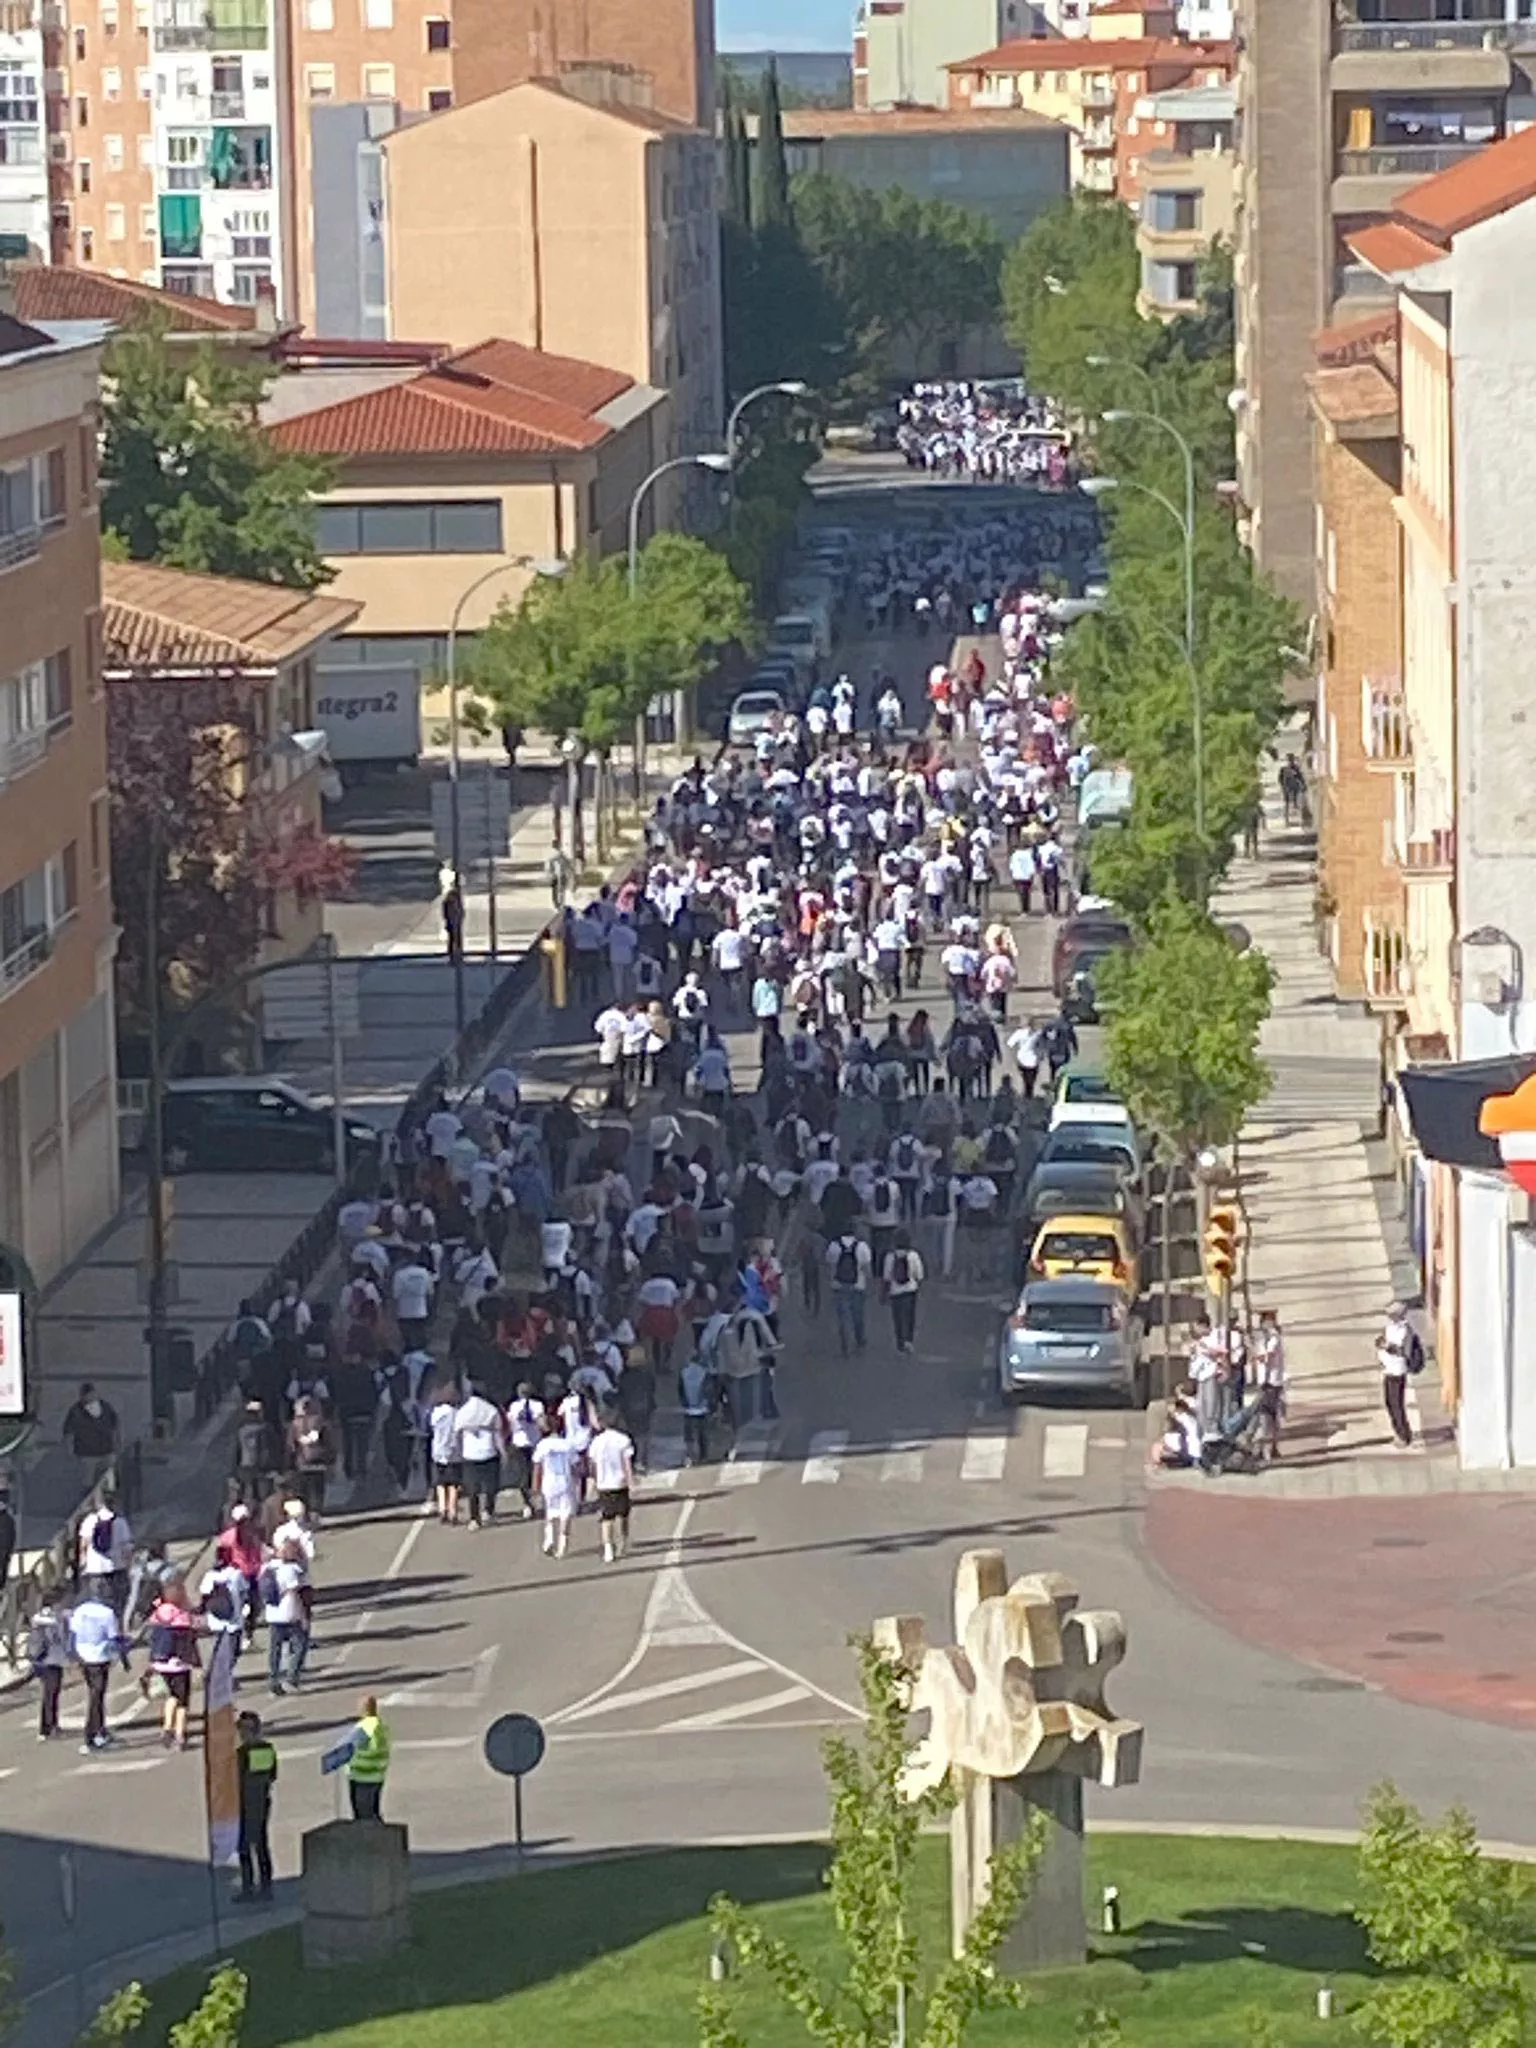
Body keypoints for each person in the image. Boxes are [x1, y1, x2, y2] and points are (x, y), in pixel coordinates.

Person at [69, 1584, 128, 1754]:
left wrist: (73, 1656)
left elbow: (73, 1633)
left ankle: (100, 1730)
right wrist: (123, 1656)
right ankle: (93, 1734)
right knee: (97, 1696)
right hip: (100, 1657)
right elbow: (113, 1637)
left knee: (95, 1694)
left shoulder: (80, 1610)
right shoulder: (107, 1613)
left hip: (83, 1655)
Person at [322, 1694, 392, 1821]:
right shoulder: (381, 1726)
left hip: (361, 1776)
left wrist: (330, 1762)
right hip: (377, 1776)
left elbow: (345, 1746)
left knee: (363, 1816)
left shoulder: (364, 1727)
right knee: (373, 1812)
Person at [235, 1710, 278, 1903]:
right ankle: (266, 1885)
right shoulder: (268, 1748)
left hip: (244, 1803)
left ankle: (248, 1887)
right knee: (261, 1844)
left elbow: (235, 1780)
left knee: (244, 1847)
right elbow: (273, 1774)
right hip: (262, 1800)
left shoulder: (242, 1753)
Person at [261, 1540, 310, 1695]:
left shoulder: (268, 1568)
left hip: (272, 1614)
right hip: (290, 1614)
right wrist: (304, 1616)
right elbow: (295, 1595)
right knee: (300, 1645)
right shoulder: (292, 1570)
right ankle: (292, 1677)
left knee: (275, 1650)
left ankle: (273, 1680)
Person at [454, 1381, 505, 1529]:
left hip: (470, 1453)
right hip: (489, 1451)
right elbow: (498, 1433)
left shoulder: (463, 1411)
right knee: (491, 1485)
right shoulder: (491, 1410)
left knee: (472, 1488)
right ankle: (488, 1511)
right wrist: (503, 1451)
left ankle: (474, 1518)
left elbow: (457, 1434)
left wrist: (459, 1450)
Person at [589, 1415, 635, 1565]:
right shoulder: (623, 1440)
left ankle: (608, 1547)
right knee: (623, 1515)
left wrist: (594, 1481)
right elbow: (627, 1463)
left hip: (604, 1484)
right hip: (620, 1482)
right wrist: (631, 1481)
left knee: (607, 1518)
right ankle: (623, 1541)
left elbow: (593, 1464)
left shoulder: (596, 1442)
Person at [532, 1423, 580, 1558]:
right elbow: (576, 1465)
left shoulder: (542, 1445)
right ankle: (562, 1547)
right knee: (565, 1514)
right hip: (565, 1481)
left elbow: (537, 1466)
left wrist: (535, 1485)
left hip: (549, 1483)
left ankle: (548, 1540)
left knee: (550, 1512)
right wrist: (578, 1481)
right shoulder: (568, 1444)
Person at [27, 1593, 68, 1741]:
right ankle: (49, 1726)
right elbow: (58, 1640)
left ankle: (47, 1726)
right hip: (52, 1661)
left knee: (48, 1694)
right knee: (52, 1695)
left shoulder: (37, 1619)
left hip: (40, 1661)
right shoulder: (53, 1620)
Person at [1377, 1302, 1419, 1448]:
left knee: (1397, 1404)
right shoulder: (1389, 1327)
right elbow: (1383, 1339)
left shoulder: (1405, 1330)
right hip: (1388, 1368)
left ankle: (1404, 1434)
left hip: (1397, 1370)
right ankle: (1398, 1430)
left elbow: (1404, 1352)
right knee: (1389, 1402)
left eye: (1391, 1314)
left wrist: (1389, 1348)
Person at [827, 1231, 873, 1357]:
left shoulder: (834, 1246)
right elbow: (867, 1268)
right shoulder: (862, 1246)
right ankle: (860, 1339)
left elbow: (831, 1267)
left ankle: (845, 1342)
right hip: (858, 1285)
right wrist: (870, 1283)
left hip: (840, 1286)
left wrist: (832, 1282)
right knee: (858, 1315)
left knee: (843, 1316)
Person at [61, 1382, 119, 1479]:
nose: (90, 1398)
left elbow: (115, 1426)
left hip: (107, 1453)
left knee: (108, 1485)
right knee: (88, 1484)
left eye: (92, 1395)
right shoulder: (75, 1411)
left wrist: (117, 1446)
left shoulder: (106, 1407)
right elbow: (68, 1432)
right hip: (86, 1455)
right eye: (87, 1396)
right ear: (82, 1397)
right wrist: (69, 1451)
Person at [881, 1231, 926, 1354]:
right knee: (910, 1316)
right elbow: (920, 1275)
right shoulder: (913, 1255)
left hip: (895, 1292)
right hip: (910, 1290)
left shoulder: (890, 1256)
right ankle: (909, 1340)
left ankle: (900, 1342)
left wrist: (884, 1294)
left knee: (897, 1318)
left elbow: (886, 1277)